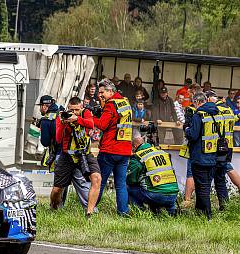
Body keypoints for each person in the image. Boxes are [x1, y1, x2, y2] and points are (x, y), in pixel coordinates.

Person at [51, 97, 102, 217]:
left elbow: (91, 124)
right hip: (67, 156)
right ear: (68, 108)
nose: (73, 112)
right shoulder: (62, 116)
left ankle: (89, 213)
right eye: (71, 110)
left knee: (97, 179)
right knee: (57, 189)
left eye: (77, 110)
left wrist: (77, 119)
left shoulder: (86, 113)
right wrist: (64, 124)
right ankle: (53, 208)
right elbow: (58, 139)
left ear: (81, 108)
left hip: (85, 153)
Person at [38, 95, 91, 209]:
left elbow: (46, 142)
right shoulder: (62, 113)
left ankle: (57, 207)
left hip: (61, 154)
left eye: (41, 106)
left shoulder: (47, 119)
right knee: (81, 183)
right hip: (77, 153)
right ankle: (90, 208)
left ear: (44, 106)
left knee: (59, 184)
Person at [184, 92, 228, 218]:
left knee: (202, 188)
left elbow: (193, 135)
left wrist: (186, 128)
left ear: (197, 102)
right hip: (214, 156)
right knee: (205, 186)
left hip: (200, 157)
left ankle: (207, 216)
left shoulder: (199, 115)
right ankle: (199, 213)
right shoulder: (219, 113)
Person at [94, 79, 133, 216]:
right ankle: (123, 212)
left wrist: (90, 117)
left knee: (99, 182)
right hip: (125, 150)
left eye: (102, 92)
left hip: (110, 149)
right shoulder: (125, 102)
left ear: (110, 91)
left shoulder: (111, 105)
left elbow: (102, 125)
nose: (100, 95)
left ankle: (91, 208)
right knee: (121, 184)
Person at [127, 136, 179, 215]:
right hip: (174, 195)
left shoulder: (138, 156)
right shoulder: (162, 152)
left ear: (135, 146)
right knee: (152, 185)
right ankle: (171, 211)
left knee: (128, 188)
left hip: (156, 195)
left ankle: (140, 212)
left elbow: (131, 180)